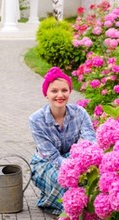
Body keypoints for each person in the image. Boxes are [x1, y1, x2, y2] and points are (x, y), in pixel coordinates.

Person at [29, 67, 96, 215]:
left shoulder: (80, 113)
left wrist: (85, 165)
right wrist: (75, 170)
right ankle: (66, 209)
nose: (60, 95)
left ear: (69, 92)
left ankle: (79, 207)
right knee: (65, 181)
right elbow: (52, 156)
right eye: (54, 91)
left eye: (64, 90)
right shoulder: (36, 120)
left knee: (90, 180)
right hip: (45, 163)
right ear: (46, 94)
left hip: (72, 158)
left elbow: (91, 141)